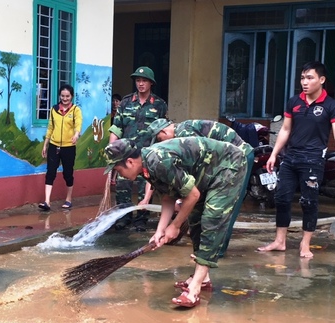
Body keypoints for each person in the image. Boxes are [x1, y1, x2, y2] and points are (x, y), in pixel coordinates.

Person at [103, 137, 249, 308]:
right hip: (206, 172)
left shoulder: (158, 162)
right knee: (195, 220)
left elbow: (192, 195)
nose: (119, 175)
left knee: (212, 219)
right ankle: (203, 279)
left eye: (118, 170)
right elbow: (168, 196)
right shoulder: (146, 167)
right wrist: (160, 230)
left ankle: (194, 290)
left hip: (228, 164)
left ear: (129, 161)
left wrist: (175, 226)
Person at [258, 61, 335, 258]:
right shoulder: (294, 102)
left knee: (309, 201)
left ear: (321, 80)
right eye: (302, 78)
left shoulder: (332, 106)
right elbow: (286, 129)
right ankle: (280, 241)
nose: (304, 82)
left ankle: (305, 245)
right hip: (290, 158)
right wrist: (274, 154)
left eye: (310, 78)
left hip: (314, 160)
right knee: (281, 198)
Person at [138, 118, 255, 259]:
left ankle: (216, 251)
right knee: (201, 208)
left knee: (223, 208)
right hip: (220, 162)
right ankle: (205, 250)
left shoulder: (184, 135)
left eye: (159, 139)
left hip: (237, 157)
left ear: (164, 131)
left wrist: (182, 204)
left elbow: (201, 163)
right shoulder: (178, 135)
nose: (160, 143)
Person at [109, 66, 168, 231]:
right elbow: (116, 128)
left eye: (144, 81)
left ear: (151, 83)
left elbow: (163, 131)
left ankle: (141, 219)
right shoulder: (126, 102)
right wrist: (111, 150)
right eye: (138, 80)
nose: (140, 84)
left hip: (147, 155)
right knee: (123, 186)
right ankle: (123, 218)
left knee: (146, 186)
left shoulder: (159, 105)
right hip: (127, 154)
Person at [39, 84, 83, 211]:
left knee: (68, 174)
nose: (65, 98)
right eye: (63, 96)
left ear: (72, 96)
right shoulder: (54, 110)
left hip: (69, 147)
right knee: (50, 172)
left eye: (67, 96)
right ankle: (47, 201)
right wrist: (45, 144)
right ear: (59, 96)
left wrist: (76, 135)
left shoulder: (75, 110)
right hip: (54, 145)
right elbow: (50, 127)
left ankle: (68, 199)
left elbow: (78, 124)